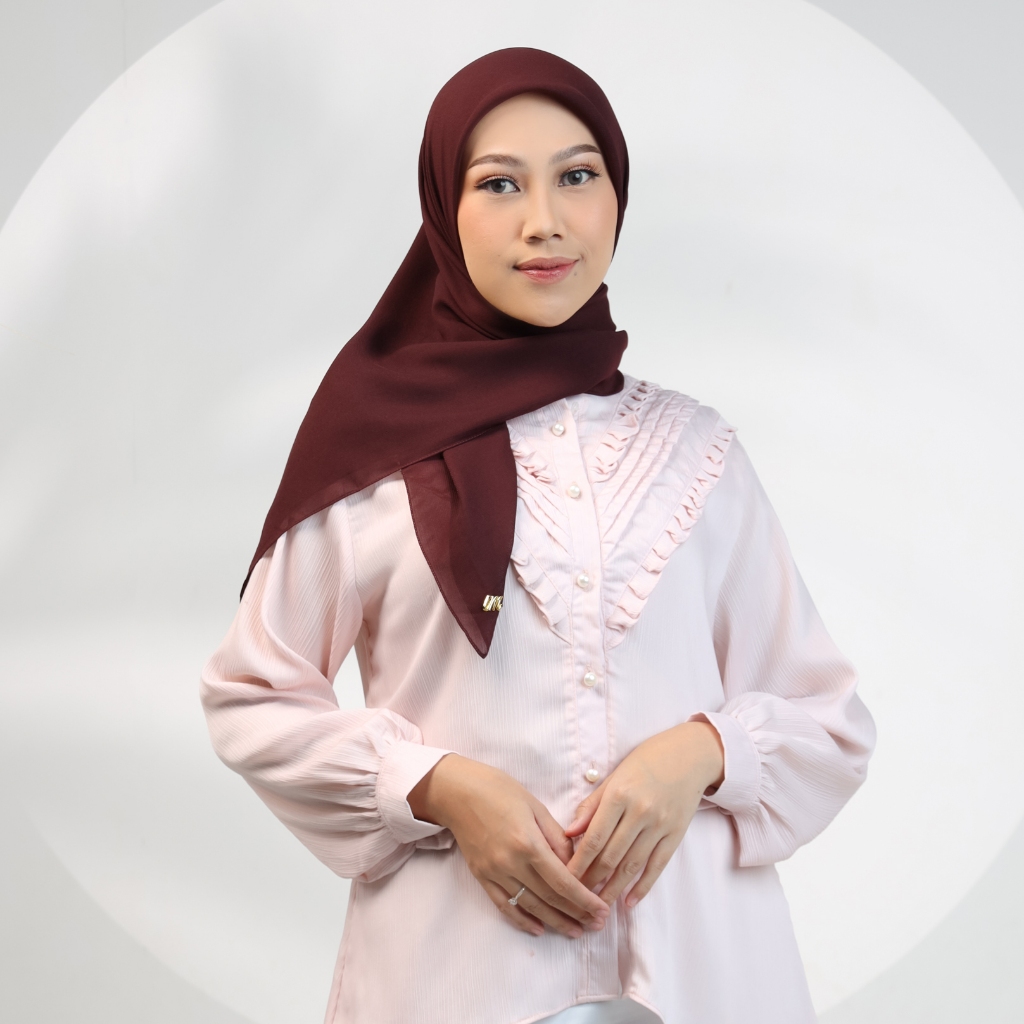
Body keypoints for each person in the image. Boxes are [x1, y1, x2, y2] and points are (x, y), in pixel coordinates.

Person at [201, 47, 875, 1024]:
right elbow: (251, 695)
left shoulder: (698, 451)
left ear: (617, 196)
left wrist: (699, 754)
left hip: (701, 971)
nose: (545, 221)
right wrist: (435, 785)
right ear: (444, 207)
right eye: (499, 183)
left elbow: (829, 720)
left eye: (577, 176)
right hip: (454, 975)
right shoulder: (370, 452)